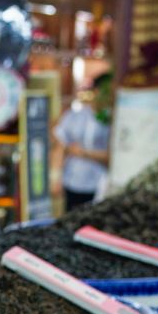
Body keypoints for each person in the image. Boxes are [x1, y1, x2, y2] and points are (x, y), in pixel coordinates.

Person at [55, 72, 113, 211]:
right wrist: (55, 177)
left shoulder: (111, 120)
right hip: (73, 179)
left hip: (99, 181)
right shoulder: (76, 115)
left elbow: (113, 155)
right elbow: (60, 146)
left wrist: (83, 153)